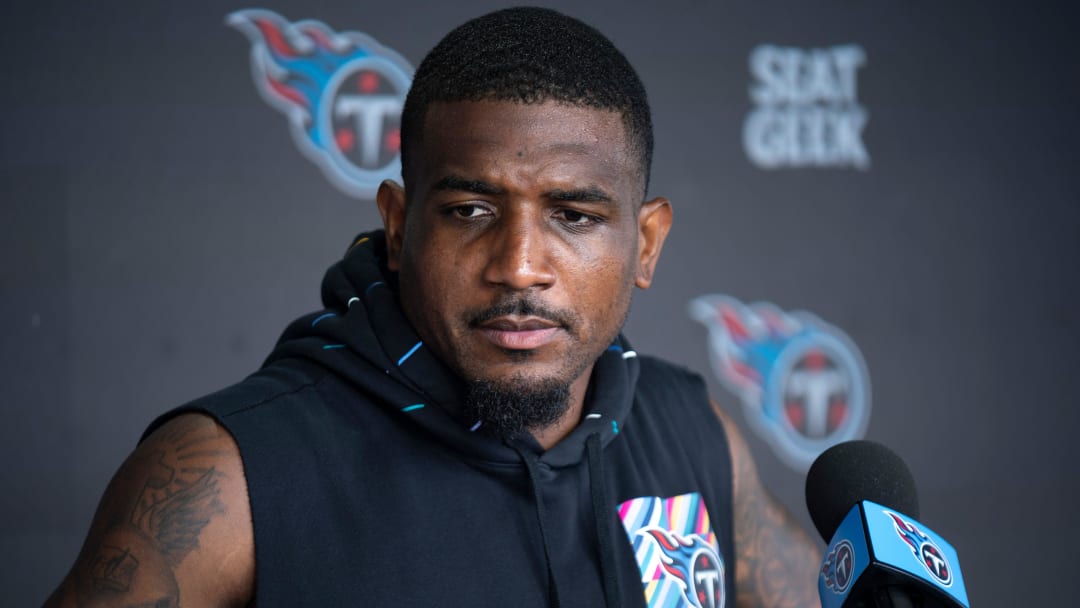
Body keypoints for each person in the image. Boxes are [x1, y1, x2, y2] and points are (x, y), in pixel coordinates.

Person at [46, 7, 820, 607]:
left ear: (646, 244)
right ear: (396, 226)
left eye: (574, 216)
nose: (519, 266)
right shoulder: (225, 477)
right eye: (470, 211)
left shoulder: (690, 430)